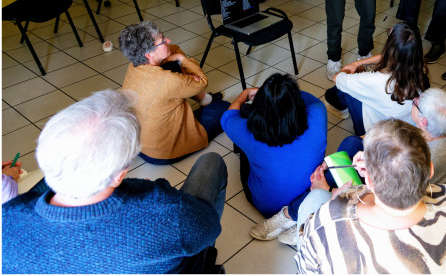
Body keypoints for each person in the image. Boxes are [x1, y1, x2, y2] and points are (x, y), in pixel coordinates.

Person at [2, 90, 227, 274]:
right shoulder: (165, 210)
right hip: (187, 243)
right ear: (120, 175)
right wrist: (147, 191)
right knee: (211, 163)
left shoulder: (8, 216)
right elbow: (209, 229)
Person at [294, 119, 446, 273]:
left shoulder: (327, 222)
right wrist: (381, 168)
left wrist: (332, 198)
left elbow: (305, 269)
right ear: (430, 170)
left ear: (368, 181)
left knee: (315, 198)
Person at [221, 74, 327, 236]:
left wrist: (245, 94)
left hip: (268, 206)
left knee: (245, 112)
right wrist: (282, 94)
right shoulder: (318, 112)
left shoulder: (246, 132)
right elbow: (303, 98)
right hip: (309, 192)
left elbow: (228, 116)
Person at [119, 21, 228, 164]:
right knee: (225, 107)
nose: (168, 40)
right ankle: (204, 99)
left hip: (138, 144)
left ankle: (201, 97)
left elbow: (174, 48)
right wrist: (181, 59)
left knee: (172, 66)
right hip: (162, 152)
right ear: (149, 54)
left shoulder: (134, 65)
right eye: (163, 41)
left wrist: (177, 64)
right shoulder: (167, 79)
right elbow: (202, 82)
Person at [325, 22, 430, 136]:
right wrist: (359, 63)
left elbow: (337, 78)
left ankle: (337, 105)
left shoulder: (377, 80)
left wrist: (351, 70)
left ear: (390, 47)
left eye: (389, 32)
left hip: (376, 133)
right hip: (402, 128)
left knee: (344, 90)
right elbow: (387, 56)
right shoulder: (420, 67)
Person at [411, 88, 446, 185]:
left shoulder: (424, 158)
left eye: (416, 103)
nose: (414, 99)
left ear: (423, 121)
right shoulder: (438, 131)